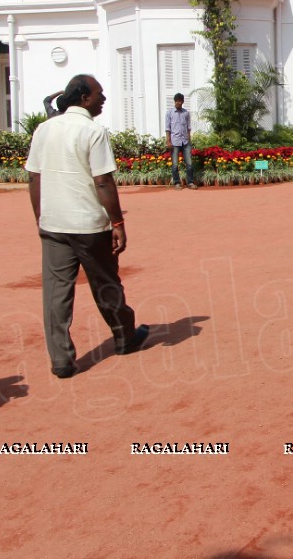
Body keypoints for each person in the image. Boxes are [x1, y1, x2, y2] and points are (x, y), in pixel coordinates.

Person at [25, 75, 149, 379]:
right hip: (88, 224)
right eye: (99, 94)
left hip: (53, 223)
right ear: (83, 98)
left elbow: (34, 177)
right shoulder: (93, 131)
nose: (103, 99)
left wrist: (41, 215)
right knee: (106, 283)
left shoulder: (44, 130)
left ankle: (61, 359)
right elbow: (103, 181)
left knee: (56, 294)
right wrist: (118, 222)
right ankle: (124, 336)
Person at [165, 92, 195, 189]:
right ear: (174, 102)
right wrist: (168, 141)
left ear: (182, 102)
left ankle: (190, 182)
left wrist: (189, 140)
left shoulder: (186, 113)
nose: (178, 103)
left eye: (180, 101)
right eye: (176, 101)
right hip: (175, 142)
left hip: (185, 142)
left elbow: (188, 127)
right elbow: (167, 128)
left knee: (189, 163)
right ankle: (177, 183)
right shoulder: (169, 113)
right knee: (175, 164)